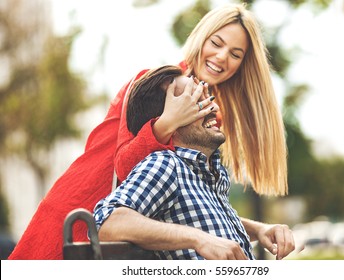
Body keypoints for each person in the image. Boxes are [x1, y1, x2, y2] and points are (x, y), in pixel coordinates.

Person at [9, 3, 287, 259]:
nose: (222, 57)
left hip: (130, 230)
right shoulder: (160, 84)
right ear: (201, 37)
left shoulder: (209, 112)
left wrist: (256, 231)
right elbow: (126, 166)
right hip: (79, 212)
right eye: (216, 43)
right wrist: (168, 120)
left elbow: (190, 204)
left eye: (235, 54)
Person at [93, 65, 295, 260]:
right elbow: (105, 222)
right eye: (197, 101)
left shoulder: (207, 175)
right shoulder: (165, 166)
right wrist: (197, 239)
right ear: (170, 117)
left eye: (208, 98)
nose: (214, 108)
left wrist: (259, 229)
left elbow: (203, 219)